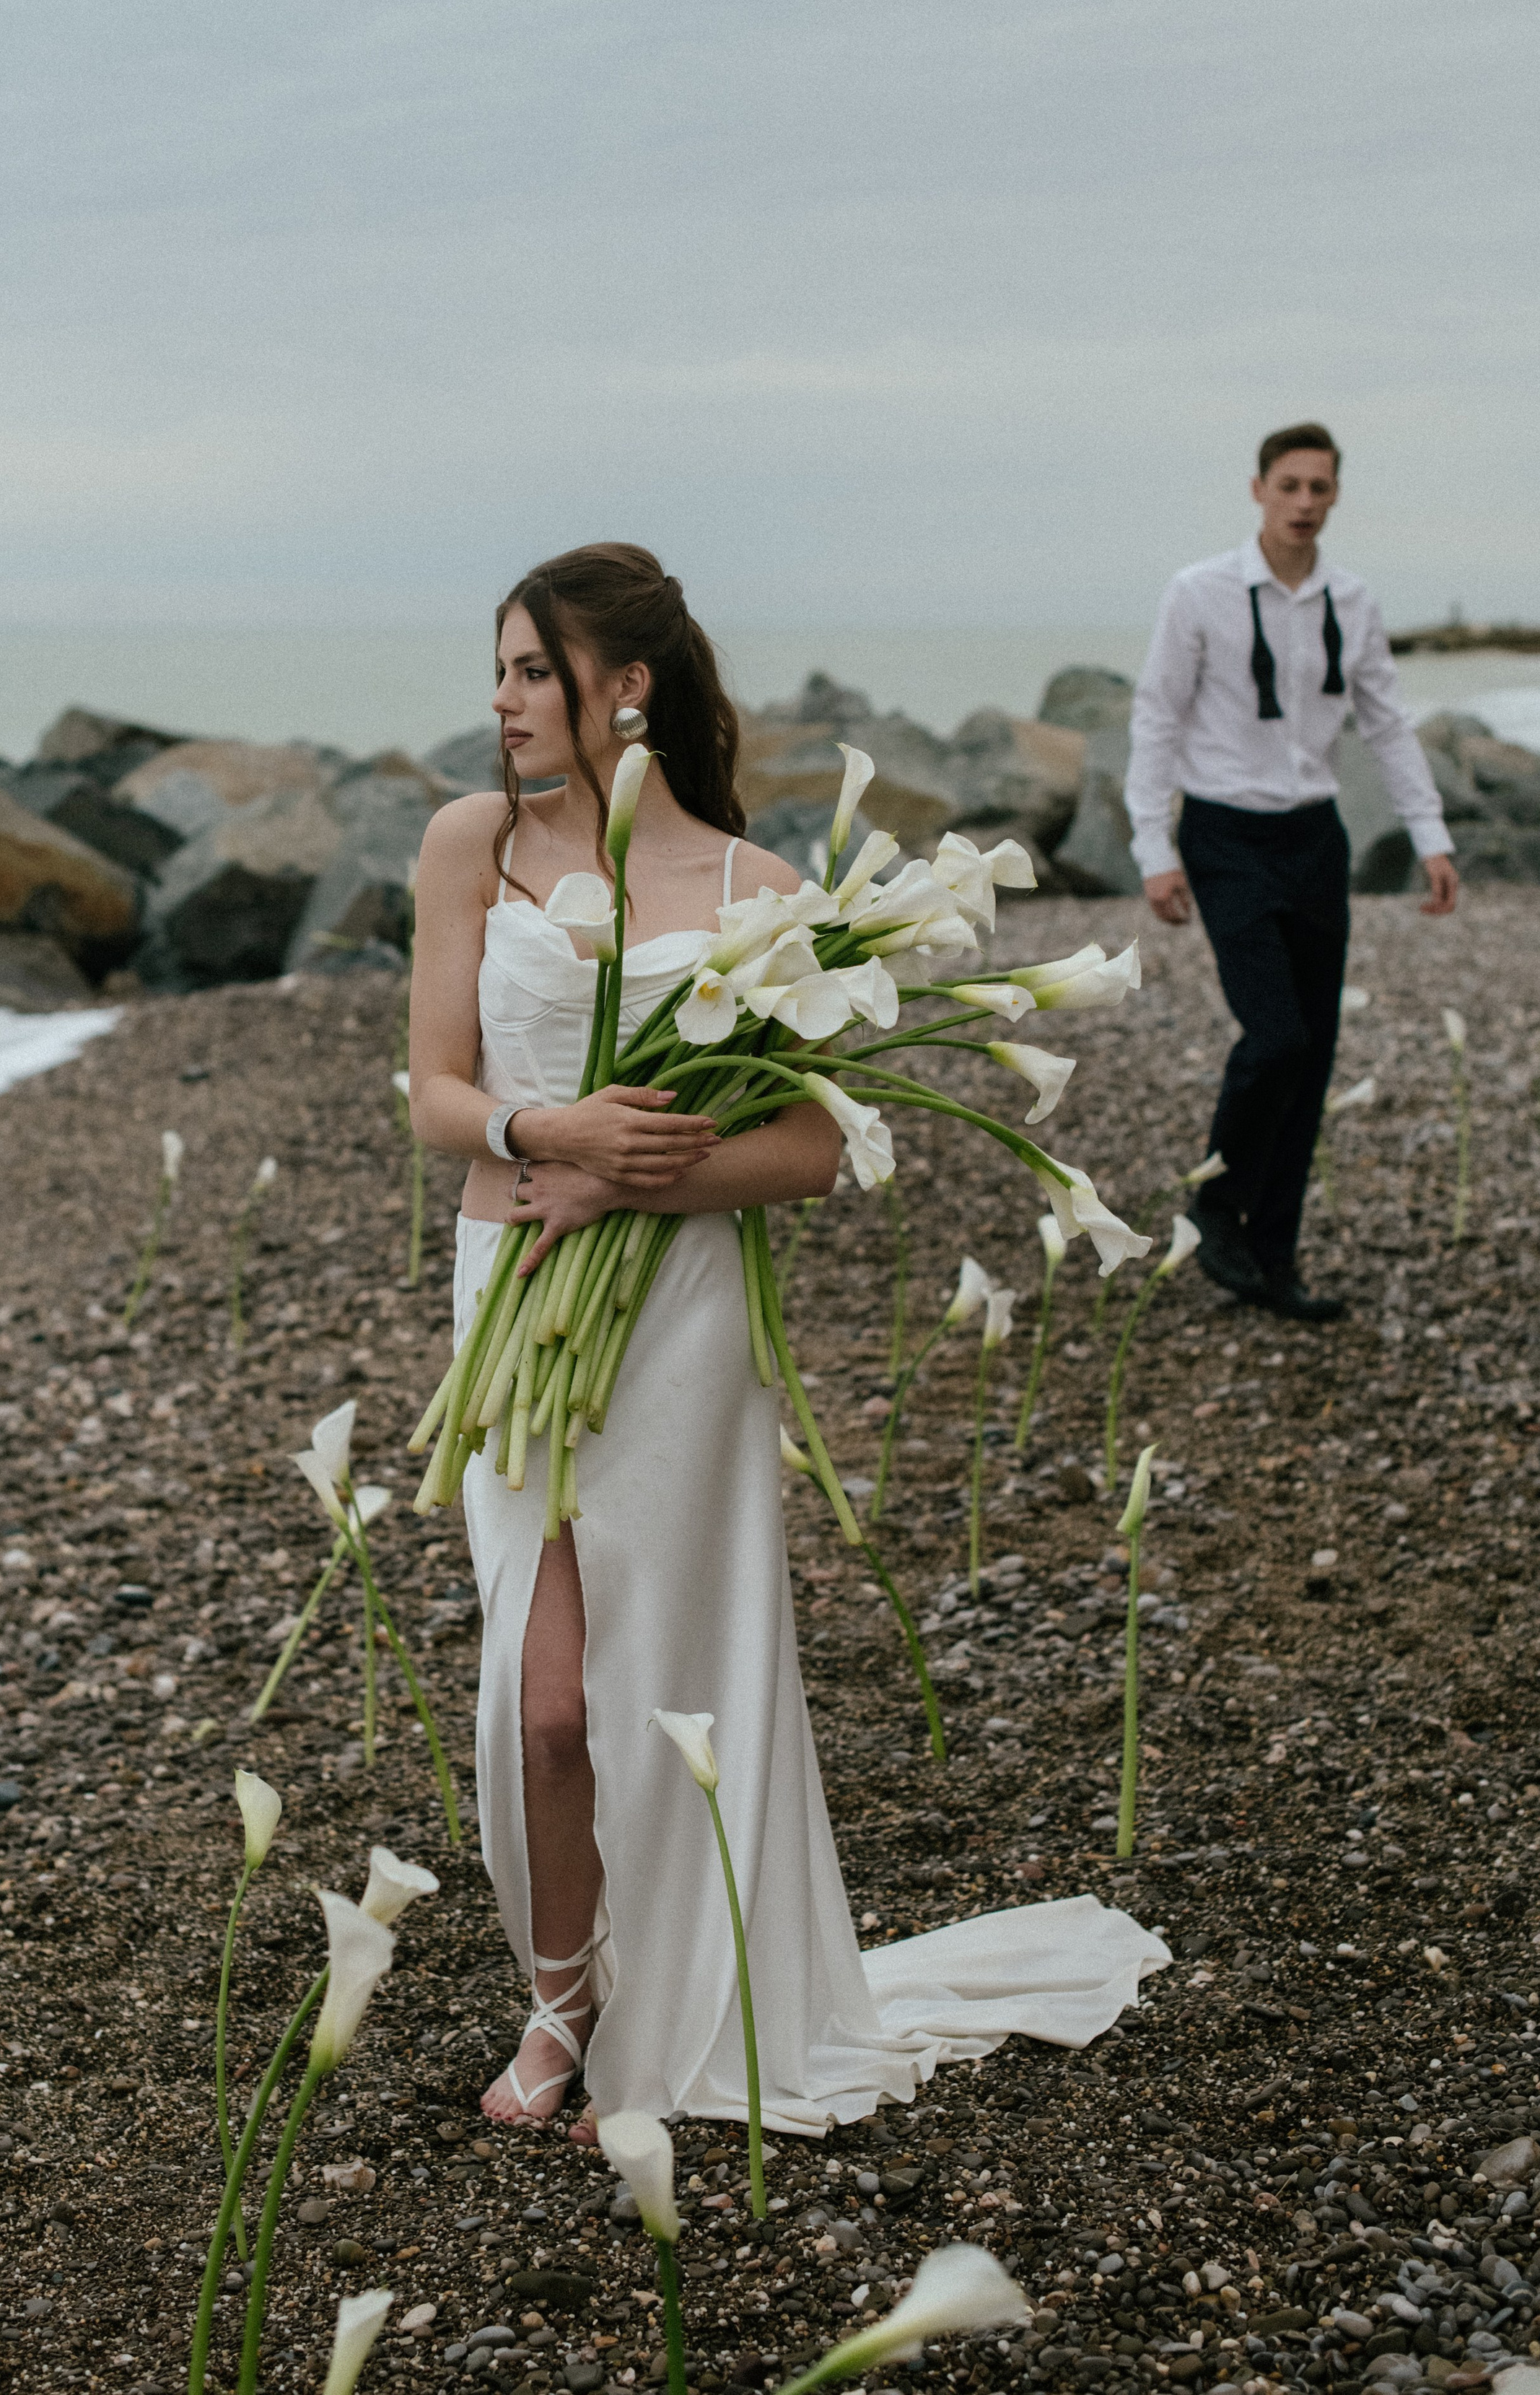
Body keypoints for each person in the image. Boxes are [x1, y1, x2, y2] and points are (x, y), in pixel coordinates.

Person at [408, 541, 1165, 2143]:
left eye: (532, 672)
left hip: (671, 1318)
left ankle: (674, 1978)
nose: (502, 704)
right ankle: (562, 1997)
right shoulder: (470, 845)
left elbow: (815, 1150)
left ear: (627, 685)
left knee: (657, 1669)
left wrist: (634, 1172)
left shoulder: (763, 898)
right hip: (510, 1282)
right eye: (499, 673)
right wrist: (558, 1128)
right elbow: (437, 1097)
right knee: (539, 1697)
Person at [1126, 424, 1458, 1321]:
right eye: (1289, 486)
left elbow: (1385, 724)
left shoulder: (1351, 601)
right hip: (1224, 838)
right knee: (1272, 1036)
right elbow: (1157, 717)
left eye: (1319, 488)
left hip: (1315, 839)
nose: (1304, 502)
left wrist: (1430, 835)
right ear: (1258, 491)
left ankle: (1273, 1259)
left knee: (1312, 1057)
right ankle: (1212, 1202)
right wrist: (1153, 849)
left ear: (1335, 496)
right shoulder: (1197, 593)